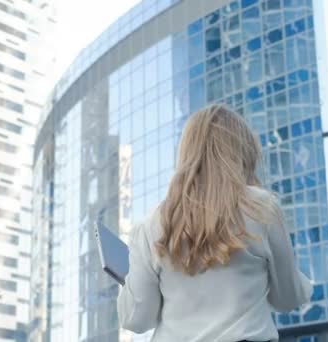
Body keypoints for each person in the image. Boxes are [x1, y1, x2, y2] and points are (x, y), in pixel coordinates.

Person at [117, 104, 311, 342]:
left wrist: (129, 279)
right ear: (244, 151)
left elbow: (138, 320)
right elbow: (287, 299)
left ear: (186, 153)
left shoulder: (151, 225)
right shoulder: (261, 208)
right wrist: (303, 283)